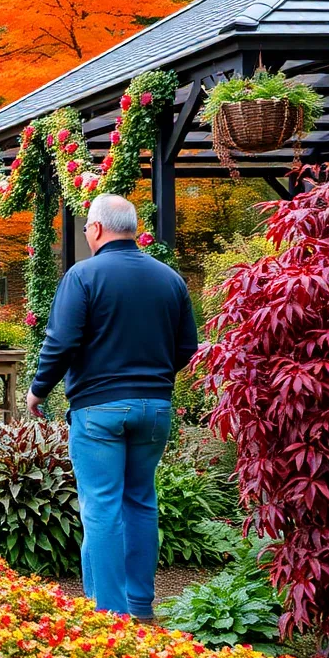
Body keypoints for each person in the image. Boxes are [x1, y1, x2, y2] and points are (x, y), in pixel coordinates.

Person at [26, 194, 198, 621]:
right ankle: (140, 607)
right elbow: (186, 347)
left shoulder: (83, 275)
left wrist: (38, 390)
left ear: (98, 229)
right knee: (141, 500)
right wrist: (153, 379)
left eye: (87, 227)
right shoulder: (170, 279)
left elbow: (61, 342)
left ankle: (109, 617)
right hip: (155, 409)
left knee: (101, 507)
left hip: (98, 409)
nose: (86, 233)